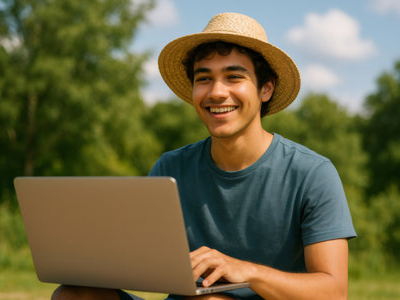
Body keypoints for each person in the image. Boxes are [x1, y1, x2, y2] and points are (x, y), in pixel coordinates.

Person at [52, 12, 356, 300]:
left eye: (234, 77)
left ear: (266, 88)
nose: (216, 92)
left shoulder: (312, 173)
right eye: (204, 78)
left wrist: (247, 272)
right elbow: (144, 262)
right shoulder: (170, 167)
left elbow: (333, 291)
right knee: (73, 295)